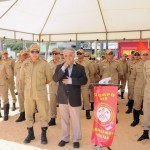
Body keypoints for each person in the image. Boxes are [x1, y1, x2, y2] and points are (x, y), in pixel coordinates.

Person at [53, 48, 87, 148]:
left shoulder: (80, 68)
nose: (68, 58)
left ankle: (76, 139)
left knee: (75, 119)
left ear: (74, 56)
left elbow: (84, 80)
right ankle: (65, 138)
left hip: (74, 98)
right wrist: (64, 66)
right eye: (66, 56)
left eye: (70, 55)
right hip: (63, 97)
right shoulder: (59, 67)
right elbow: (55, 78)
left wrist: (71, 81)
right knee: (64, 120)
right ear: (63, 56)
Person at [20, 44, 52, 144]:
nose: (34, 53)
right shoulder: (25, 63)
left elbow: (49, 79)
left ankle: (43, 135)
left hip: (40, 93)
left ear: (39, 53)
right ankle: (30, 134)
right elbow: (22, 78)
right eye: (32, 51)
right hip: (28, 93)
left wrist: (39, 85)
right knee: (29, 114)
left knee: (44, 114)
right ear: (29, 53)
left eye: (36, 52)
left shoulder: (44, 64)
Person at [130, 50, 148, 127]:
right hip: (138, 88)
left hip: (148, 89)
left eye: (146, 54)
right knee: (137, 105)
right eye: (143, 54)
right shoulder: (136, 66)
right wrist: (132, 89)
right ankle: (136, 120)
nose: (145, 56)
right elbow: (132, 77)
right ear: (141, 56)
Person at [76, 49, 94, 119]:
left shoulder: (88, 62)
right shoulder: (75, 62)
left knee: (86, 98)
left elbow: (91, 72)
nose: (79, 55)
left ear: (83, 54)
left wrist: (88, 80)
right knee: (76, 99)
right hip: (77, 83)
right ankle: (76, 112)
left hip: (85, 83)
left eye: (80, 54)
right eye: (78, 54)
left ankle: (87, 112)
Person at [137, 51, 150, 141]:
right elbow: (146, 78)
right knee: (146, 113)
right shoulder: (146, 64)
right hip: (148, 91)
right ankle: (145, 133)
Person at [48, 48, 62, 126]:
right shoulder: (49, 63)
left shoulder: (63, 63)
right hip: (52, 86)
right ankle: (53, 118)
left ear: (59, 54)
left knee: (63, 104)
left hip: (61, 86)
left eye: (55, 53)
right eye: (52, 53)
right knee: (52, 103)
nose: (53, 55)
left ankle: (65, 119)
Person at [14, 50, 28, 122]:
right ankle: (22, 114)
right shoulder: (16, 64)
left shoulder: (29, 63)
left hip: (27, 85)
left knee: (29, 100)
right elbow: (15, 74)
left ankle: (30, 115)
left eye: (25, 55)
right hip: (19, 85)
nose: (24, 56)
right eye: (22, 55)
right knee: (21, 100)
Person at [0, 52, 13, 121]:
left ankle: (6, 114)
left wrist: (4, 79)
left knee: (5, 100)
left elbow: (10, 74)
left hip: (3, 84)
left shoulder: (5, 64)